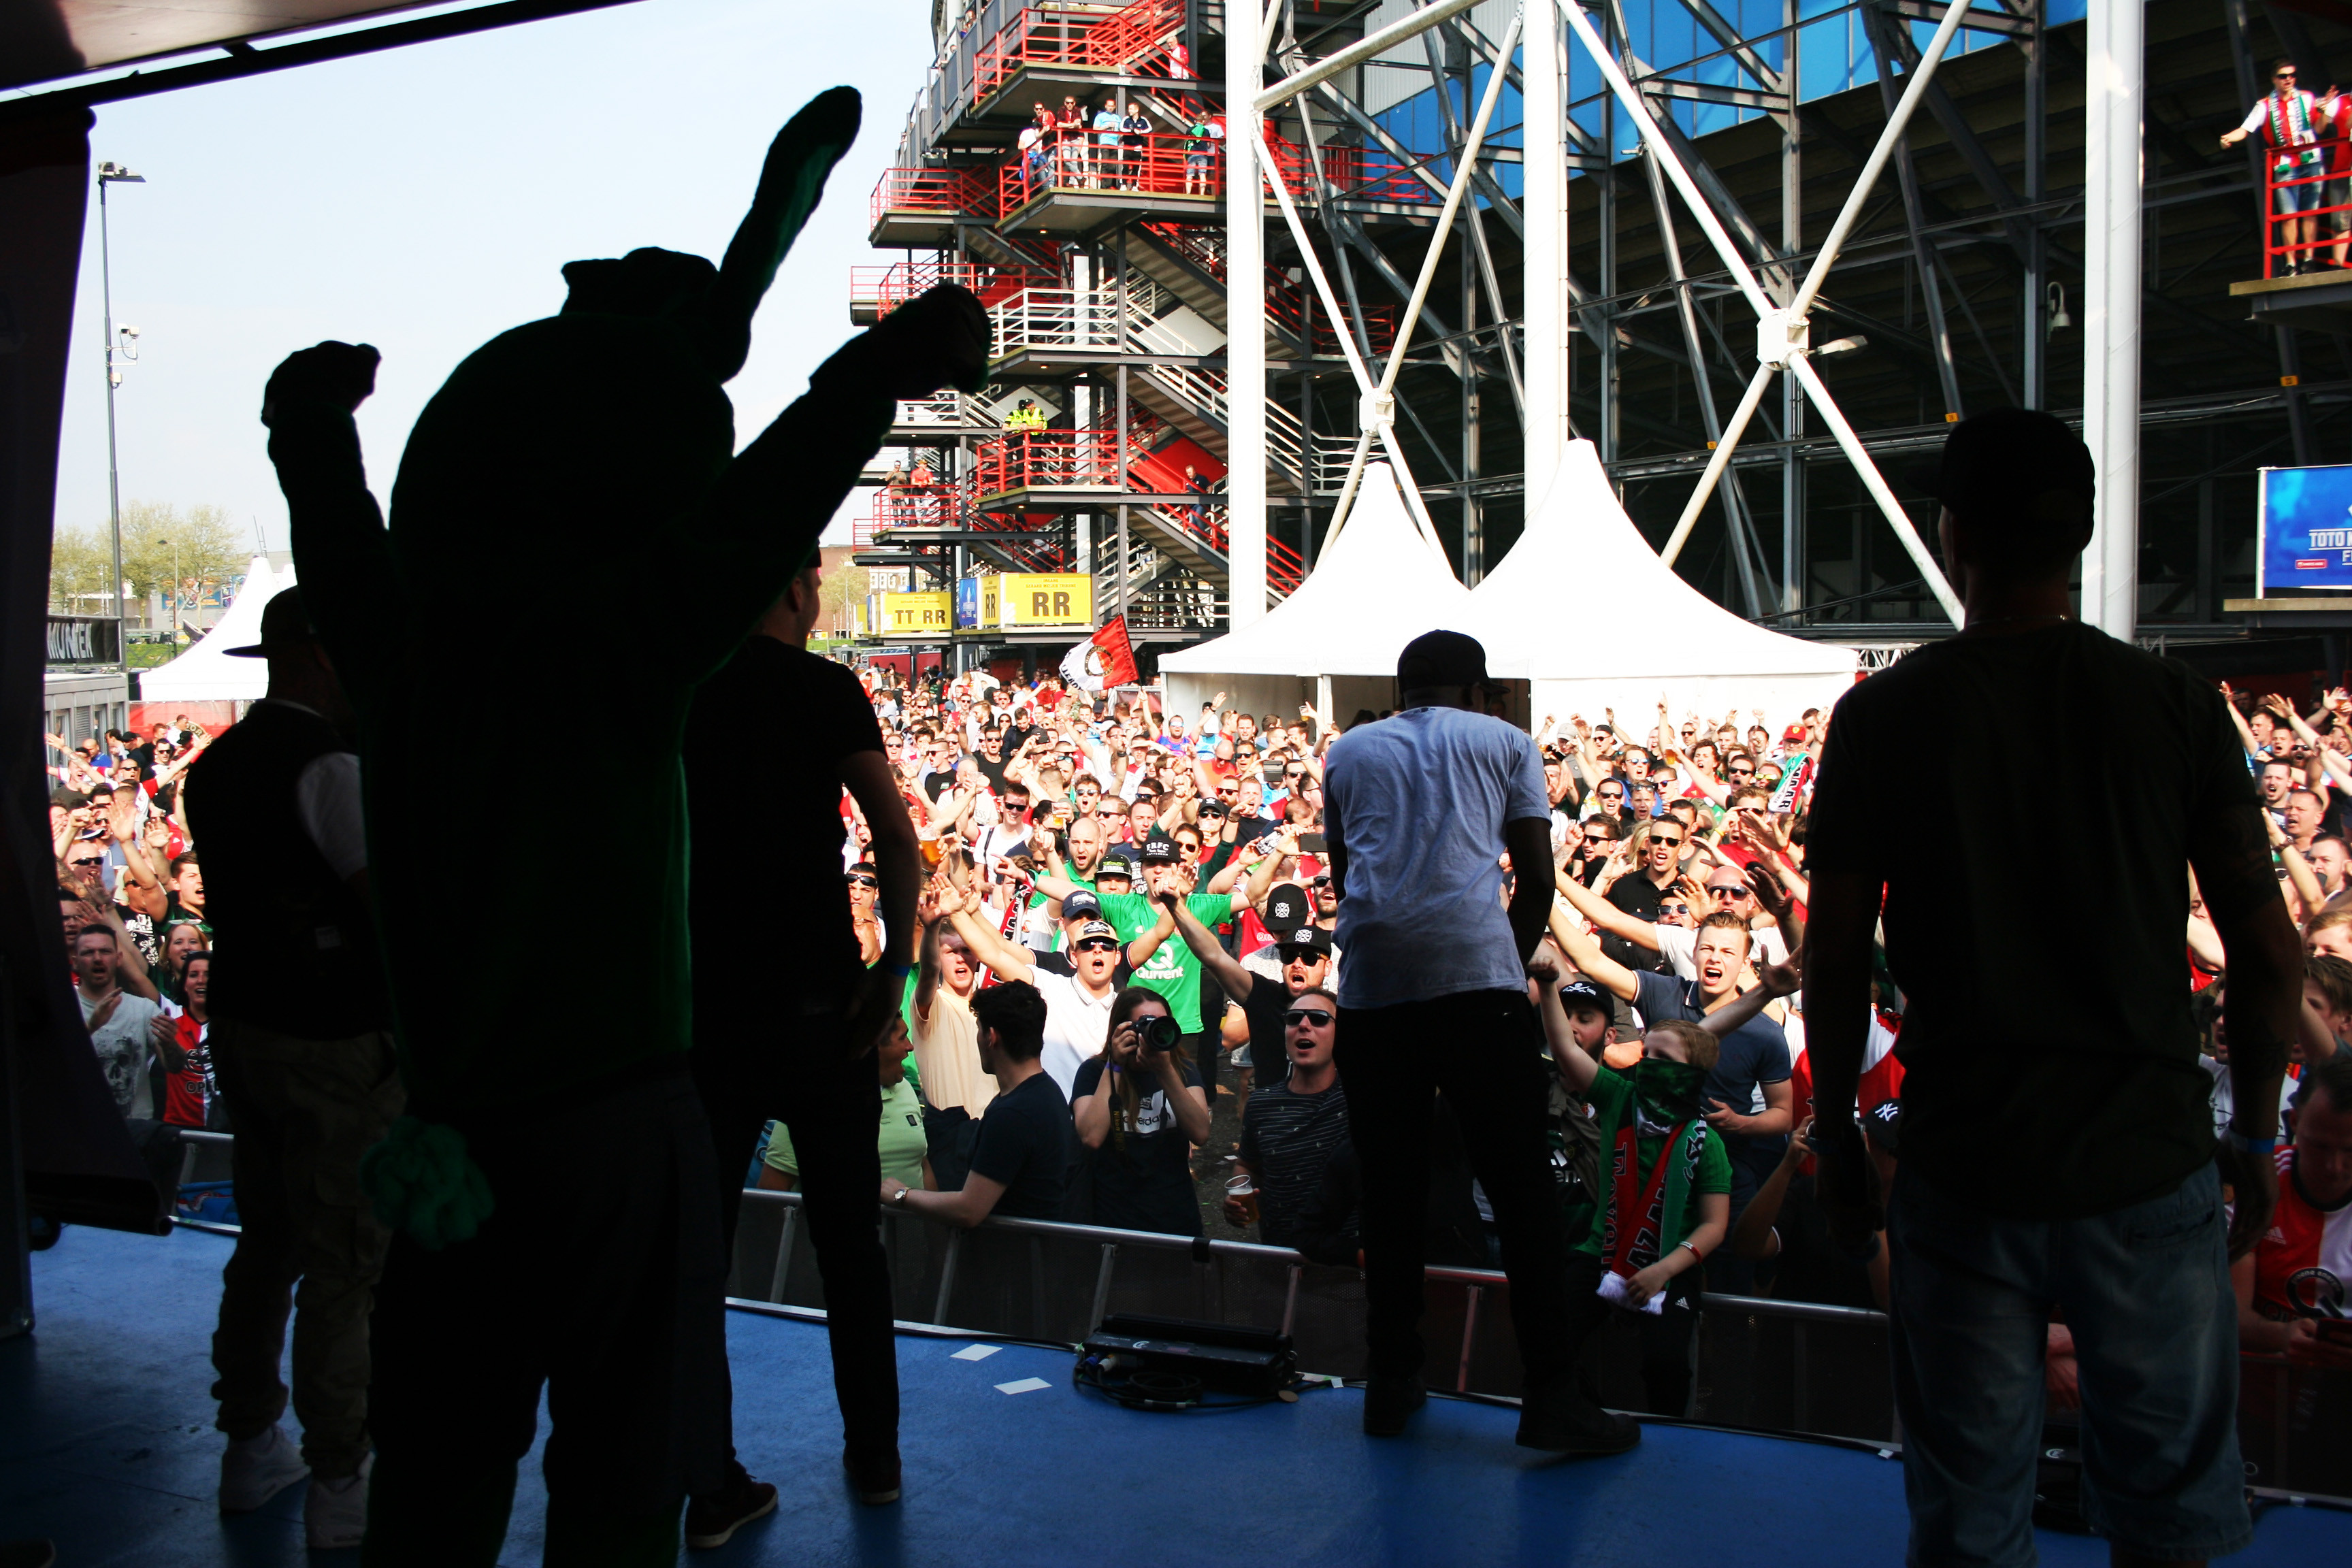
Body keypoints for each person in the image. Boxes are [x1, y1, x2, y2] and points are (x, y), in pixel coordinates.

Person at [1803, 408, 2302, 1568]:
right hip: (2145, 1155)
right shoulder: (2175, 705)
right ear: (2078, 534)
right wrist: (2256, 1134)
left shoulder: (1883, 715)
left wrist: (1835, 1137)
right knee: (2170, 1512)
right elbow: (2269, 952)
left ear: (1951, 533)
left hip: (1966, 1163)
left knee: (1970, 1516)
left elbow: (1833, 952)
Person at [1322, 629, 1633, 1454]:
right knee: (1523, 1192)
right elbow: (1536, 877)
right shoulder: (1506, 741)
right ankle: (1551, 1398)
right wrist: (1499, 953)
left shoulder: (1349, 753)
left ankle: (1390, 1384)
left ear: (1401, 690)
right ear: (1479, 688)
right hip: (1474, 989)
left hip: (1375, 990)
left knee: (1388, 1190)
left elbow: (1345, 868)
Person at [680, 552, 922, 1533]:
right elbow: (895, 838)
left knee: (697, 1259)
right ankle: (876, 1464)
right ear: (789, 589)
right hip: (821, 1012)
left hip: (706, 1015)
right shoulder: (824, 690)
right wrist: (892, 971)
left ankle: (710, 1484)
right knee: (850, 1250)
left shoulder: (682, 694)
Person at [178, 587, 401, 1552]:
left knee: (264, 1241)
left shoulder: (215, 768)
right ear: (320, 658)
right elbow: (389, 917)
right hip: (334, 1048)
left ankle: (247, 1444)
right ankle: (341, 1475)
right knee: (345, 1262)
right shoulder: (331, 770)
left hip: (246, 1030)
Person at [1543, 1007, 1731, 1418]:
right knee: (1550, 1341)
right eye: (1647, 1055)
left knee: (1666, 1365)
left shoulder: (1708, 1142)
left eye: (1664, 1059)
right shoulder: (1620, 1098)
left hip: (1670, 1268)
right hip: (1600, 1256)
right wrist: (1548, 989)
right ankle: (1584, 1417)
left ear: (1692, 1073)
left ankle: (1668, 1443)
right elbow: (1563, 1048)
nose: (1649, 1064)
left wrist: (1663, 1271)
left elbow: (1715, 1225)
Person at [883, 981, 1075, 1222]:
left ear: (991, 1037)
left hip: (1010, 1256)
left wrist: (902, 1195)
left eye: (979, 1028)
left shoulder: (1014, 1113)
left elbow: (970, 1209)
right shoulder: (1046, 1092)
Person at [2234, 1055, 2352, 1362]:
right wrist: (2281, 1336)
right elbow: (2227, 1313)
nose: (2333, 1167)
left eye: (2351, 1151)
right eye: (2319, 1146)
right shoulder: (2258, 1182)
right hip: (2262, 1385)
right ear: (2295, 1121)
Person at [1071, 988, 1211, 1235]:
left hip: (1176, 1216)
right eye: (1143, 1026)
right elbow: (1090, 1138)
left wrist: (1164, 1070)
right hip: (1113, 1220)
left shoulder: (1182, 1069)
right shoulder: (1094, 1072)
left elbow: (1200, 1133)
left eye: (1160, 1025)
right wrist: (1114, 1065)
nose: (1151, 1034)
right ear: (1120, 1030)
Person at [759, 1018, 932, 1197]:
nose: (910, 1046)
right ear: (872, 1046)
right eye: (902, 1037)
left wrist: (933, 1224)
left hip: (913, 1225)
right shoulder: (809, 1101)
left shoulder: (905, 1090)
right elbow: (772, 1193)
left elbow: (923, 1165)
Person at [1232, 988, 1350, 1247]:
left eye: (1318, 1018)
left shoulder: (1359, 1101)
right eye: (1293, 1019)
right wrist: (1240, 1197)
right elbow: (1248, 1165)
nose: (1304, 1025)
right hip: (1279, 1257)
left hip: (1346, 1266)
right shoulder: (1261, 1104)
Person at [2222, 61, 2337, 273]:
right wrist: (2229, 138)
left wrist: (2325, 112)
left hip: (2311, 160)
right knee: (2288, 216)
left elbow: (2319, 128)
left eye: (2292, 75)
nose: (2288, 79)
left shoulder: (2306, 98)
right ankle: (2291, 263)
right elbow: (2246, 129)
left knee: (2310, 212)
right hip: (2285, 165)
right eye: (2283, 76)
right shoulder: (2264, 105)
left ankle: (2309, 259)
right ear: (2274, 79)